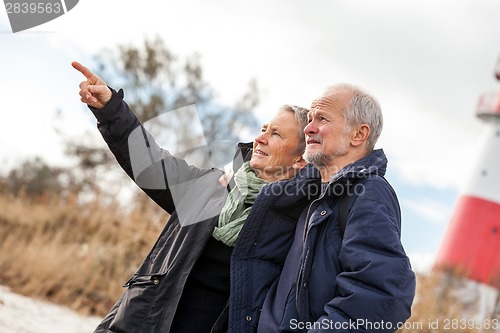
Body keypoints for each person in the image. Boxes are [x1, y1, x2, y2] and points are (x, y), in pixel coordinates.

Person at [71, 61, 311, 333]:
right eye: (264, 129)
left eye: (276, 134)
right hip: (143, 325)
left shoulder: (300, 224)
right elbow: (150, 163)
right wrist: (111, 109)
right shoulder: (211, 186)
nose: (260, 138)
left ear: (300, 160)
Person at [230, 83, 416, 332]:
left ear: (358, 135)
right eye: (309, 119)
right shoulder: (309, 193)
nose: (308, 128)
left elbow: (383, 294)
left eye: (322, 118)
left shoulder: (368, 192)